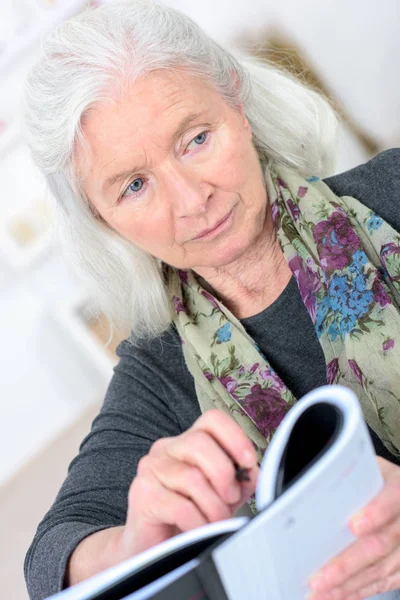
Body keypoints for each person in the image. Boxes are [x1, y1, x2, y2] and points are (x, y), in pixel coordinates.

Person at [22, 1, 400, 599]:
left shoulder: (394, 193)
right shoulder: (157, 372)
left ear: (237, 103)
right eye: (135, 186)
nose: (190, 200)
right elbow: (49, 561)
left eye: (195, 139)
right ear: (105, 220)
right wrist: (131, 545)